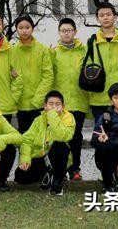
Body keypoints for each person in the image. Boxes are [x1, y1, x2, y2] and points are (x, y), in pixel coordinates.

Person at [50, 18, 90, 182]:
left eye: (69, 30)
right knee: (59, 138)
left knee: (76, 137)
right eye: (63, 30)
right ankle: (60, 169)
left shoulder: (85, 51)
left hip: (79, 100)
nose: (66, 33)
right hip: (60, 104)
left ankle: (75, 169)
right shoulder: (53, 52)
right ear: (59, 33)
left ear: (75, 32)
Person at [14, 90, 75, 196]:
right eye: (51, 104)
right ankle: (47, 175)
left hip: (56, 157)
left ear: (63, 106)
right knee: (21, 177)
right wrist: (25, 159)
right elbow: (27, 139)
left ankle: (57, 182)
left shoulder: (68, 118)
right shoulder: (38, 120)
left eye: (57, 104)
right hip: (41, 157)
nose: (54, 107)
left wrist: (52, 115)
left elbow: (63, 136)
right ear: (45, 105)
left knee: (60, 146)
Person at [84, 2, 118, 120]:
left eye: (108, 14)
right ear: (97, 19)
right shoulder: (92, 41)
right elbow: (86, 67)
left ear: (115, 16)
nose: (105, 17)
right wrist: (90, 93)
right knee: (102, 135)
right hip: (98, 98)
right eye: (102, 15)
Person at [10, 15, 53, 133]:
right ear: (16, 30)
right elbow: (9, 75)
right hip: (21, 103)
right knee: (24, 136)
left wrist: (38, 99)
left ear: (32, 29)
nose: (24, 30)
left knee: (39, 136)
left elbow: (48, 76)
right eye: (21, 27)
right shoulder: (12, 51)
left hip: (38, 103)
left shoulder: (42, 50)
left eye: (27, 27)